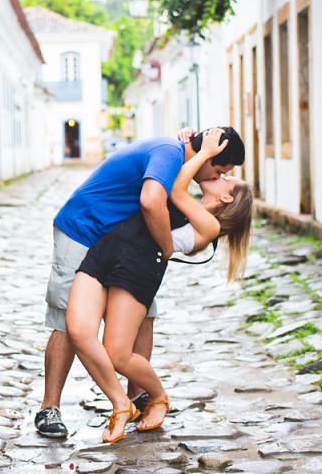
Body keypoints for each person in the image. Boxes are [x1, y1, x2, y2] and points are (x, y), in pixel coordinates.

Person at [34, 127, 246, 438]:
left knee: (144, 315)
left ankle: (137, 396)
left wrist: (197, 149)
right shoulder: (170, 152)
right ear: (209, 157)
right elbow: (152, 200)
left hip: (123, 250)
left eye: (223, 176)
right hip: (85, 229)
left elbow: (174, 193)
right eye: (218, 169)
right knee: (67, 320)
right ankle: (49, 405)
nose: (215, 177)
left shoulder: (184, 174)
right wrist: (166, 244)